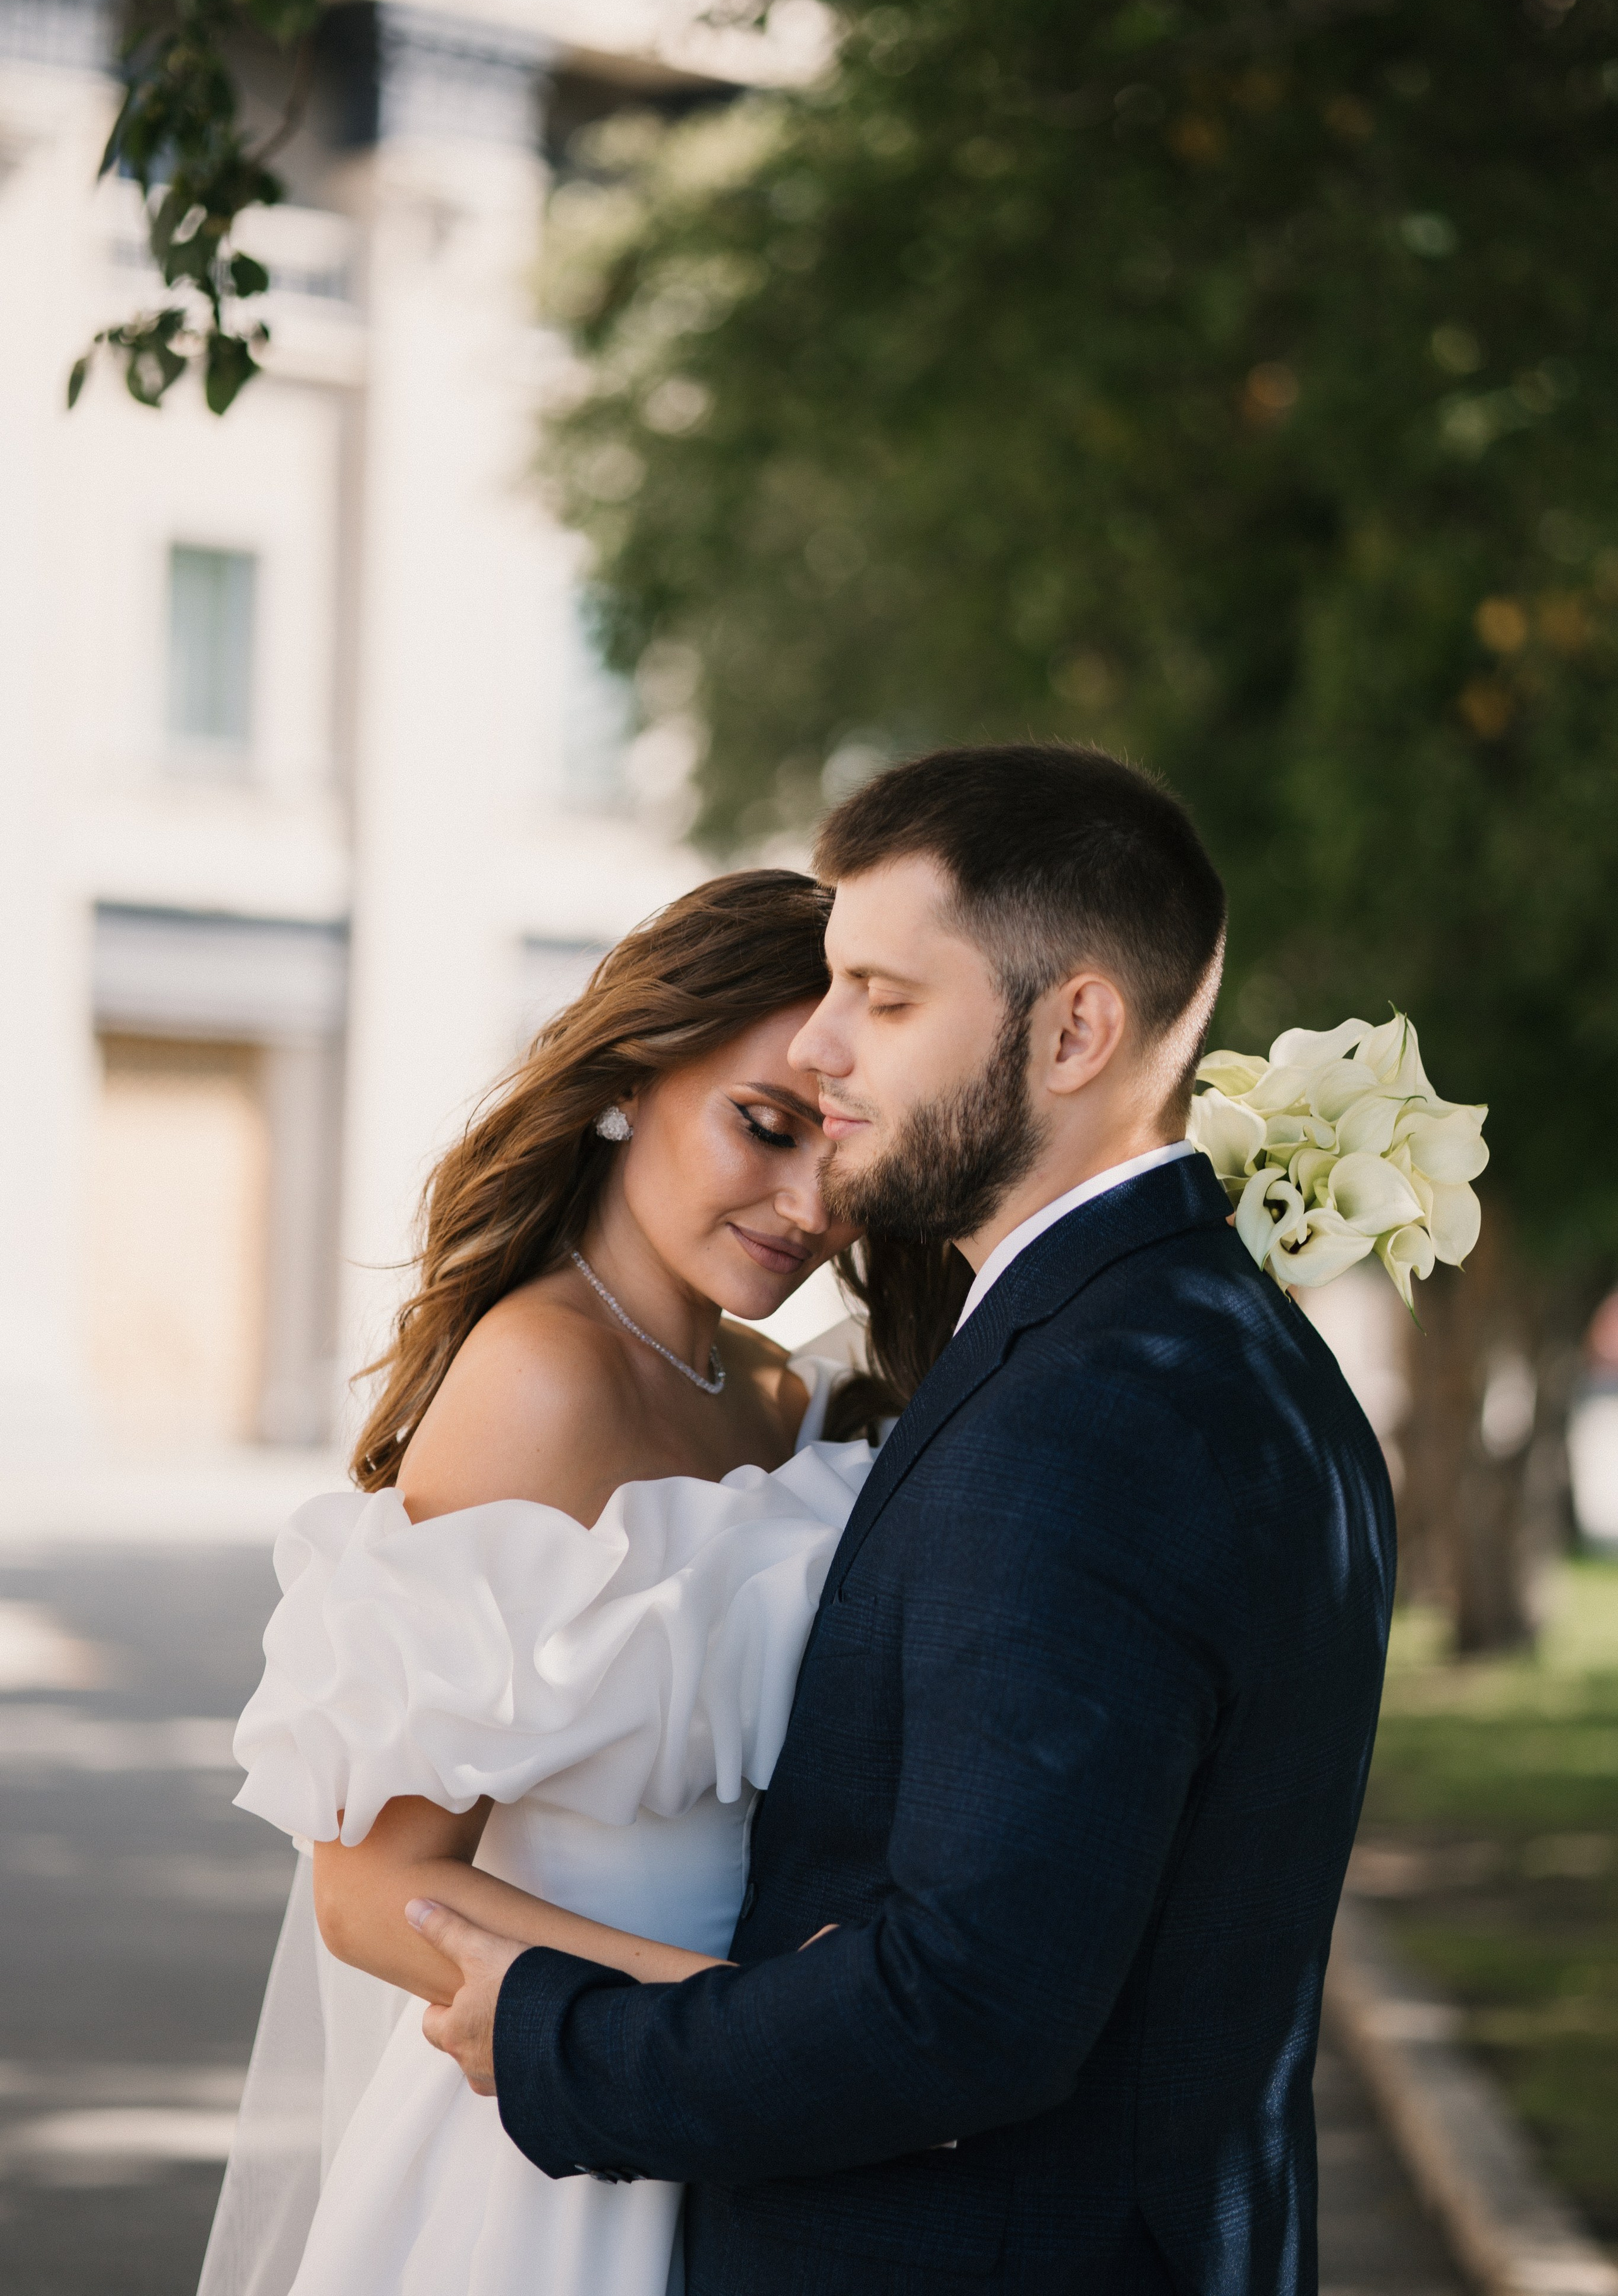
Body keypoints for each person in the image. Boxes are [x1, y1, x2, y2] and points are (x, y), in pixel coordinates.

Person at [415, 743, 1397, 2295]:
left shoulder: (1093, 1407)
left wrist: (559, 2037)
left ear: (1074, 1028)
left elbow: (966, 2012)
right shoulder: (1220, 1348)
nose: (824, 1048)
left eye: (882, 997)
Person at [199, 869, 962, 2296]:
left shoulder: (777, 1386)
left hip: (739, 2114)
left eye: (842, 1151)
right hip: (560, 2142)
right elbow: (373, 1896)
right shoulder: (536, 1382)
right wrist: (749, 2027)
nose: (809, 1204)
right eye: (764, 1125)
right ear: (628, 1077)